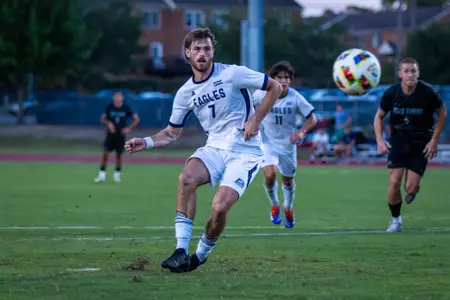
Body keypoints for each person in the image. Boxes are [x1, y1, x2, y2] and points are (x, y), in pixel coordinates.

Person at [124, 27, 282, 272]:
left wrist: (256, 119)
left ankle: (199, 255)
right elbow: (171, 133)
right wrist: (145, 142)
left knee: (219, 208)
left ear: (213, 52)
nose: (202, 53)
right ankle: (180, 251)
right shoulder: (185, 93)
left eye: (207, 48)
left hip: (246, 152)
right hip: (215, 147)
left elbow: (275, 87)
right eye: (196, 48)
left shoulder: (232, 74)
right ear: (187, 53)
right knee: (186, 178)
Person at [373, 57, 447, 233]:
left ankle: (414, 189)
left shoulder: (428, 92)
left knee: (410, 187)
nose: (410, 74)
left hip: (421, 143)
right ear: (400, 74)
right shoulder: (391, 93)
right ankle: (396, 221)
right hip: (398, 141)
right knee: (394, 182)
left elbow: (442, 113)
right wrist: (380, 140)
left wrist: (434, 139)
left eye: (413, 71)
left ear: (418, 73)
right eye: (406, 71)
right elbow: (379, 117)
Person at [252, 61, 317, 228]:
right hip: (267, 143)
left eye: (287, 77)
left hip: (288, 145)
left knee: (287, 180)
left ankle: (288, 207)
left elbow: (312, 118)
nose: (284, 81)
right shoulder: (261, 95)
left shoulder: (295, 97)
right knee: (270, 175)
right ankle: (274, 205)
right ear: (273, 79)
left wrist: (301, 132)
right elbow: (250, 107)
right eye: (280, 77)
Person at [94, 92, 140, 183]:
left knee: (118, 155)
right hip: (110, 135)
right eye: (116, 97)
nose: (117, 99)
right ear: (113, 98)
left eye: (119, 97)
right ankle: (101, 175)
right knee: (106, 153)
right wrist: (109, 123)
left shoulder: (126, 108)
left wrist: (129, 129)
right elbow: (103, 118)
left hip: (121, 135)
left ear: (122, 98)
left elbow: (136, 119)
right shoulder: (110, 107)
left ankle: (117, 175)